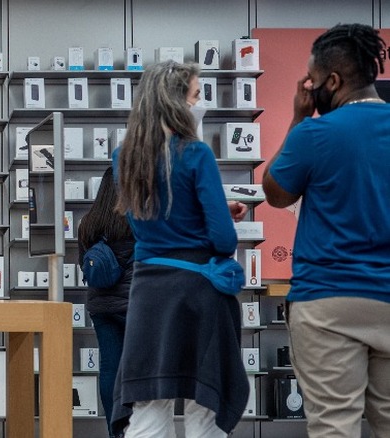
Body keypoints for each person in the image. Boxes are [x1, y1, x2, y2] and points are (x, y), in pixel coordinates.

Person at [262, 23, 390, 437]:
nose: (310, 89)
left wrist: (299, 117)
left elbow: (276, 193)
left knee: (335, 425)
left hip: (327, 300)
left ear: (332, 81)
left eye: (312, 82)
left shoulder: (315, 134)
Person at [112, 61, 249, 437]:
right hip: (198, 291)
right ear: (176, 101)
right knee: (203, 404)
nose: (198, 103)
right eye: (195, 95)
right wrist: (220, 215)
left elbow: (152, 215)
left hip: (148, 292)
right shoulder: (196, 153)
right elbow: (223, 239)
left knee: (147, 403)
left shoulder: (123, 156)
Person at [77, 166, 135, 438]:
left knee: (110, 368)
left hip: (100, 307)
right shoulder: (136, 219)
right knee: (137, 370)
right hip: (133, 306)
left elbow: (84, 266)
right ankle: (137, 427)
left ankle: (115, 431)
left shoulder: (88, 223)